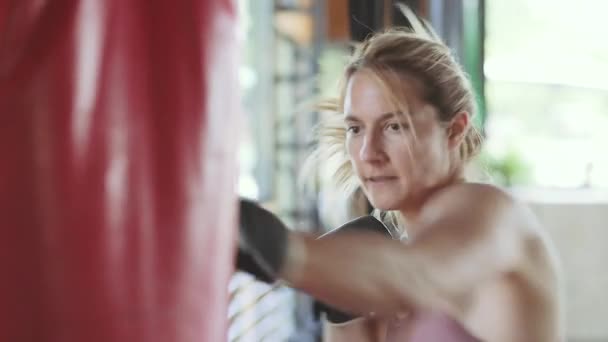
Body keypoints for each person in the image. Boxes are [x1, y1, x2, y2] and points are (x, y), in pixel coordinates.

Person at [238, 7, 564, 342]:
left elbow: (426, 274)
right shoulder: (382, 263)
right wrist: (346, 316)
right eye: (355, 128)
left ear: (454, 130)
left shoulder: (495, 214)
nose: (369, 153)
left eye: (395, 126)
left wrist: (280, 248)